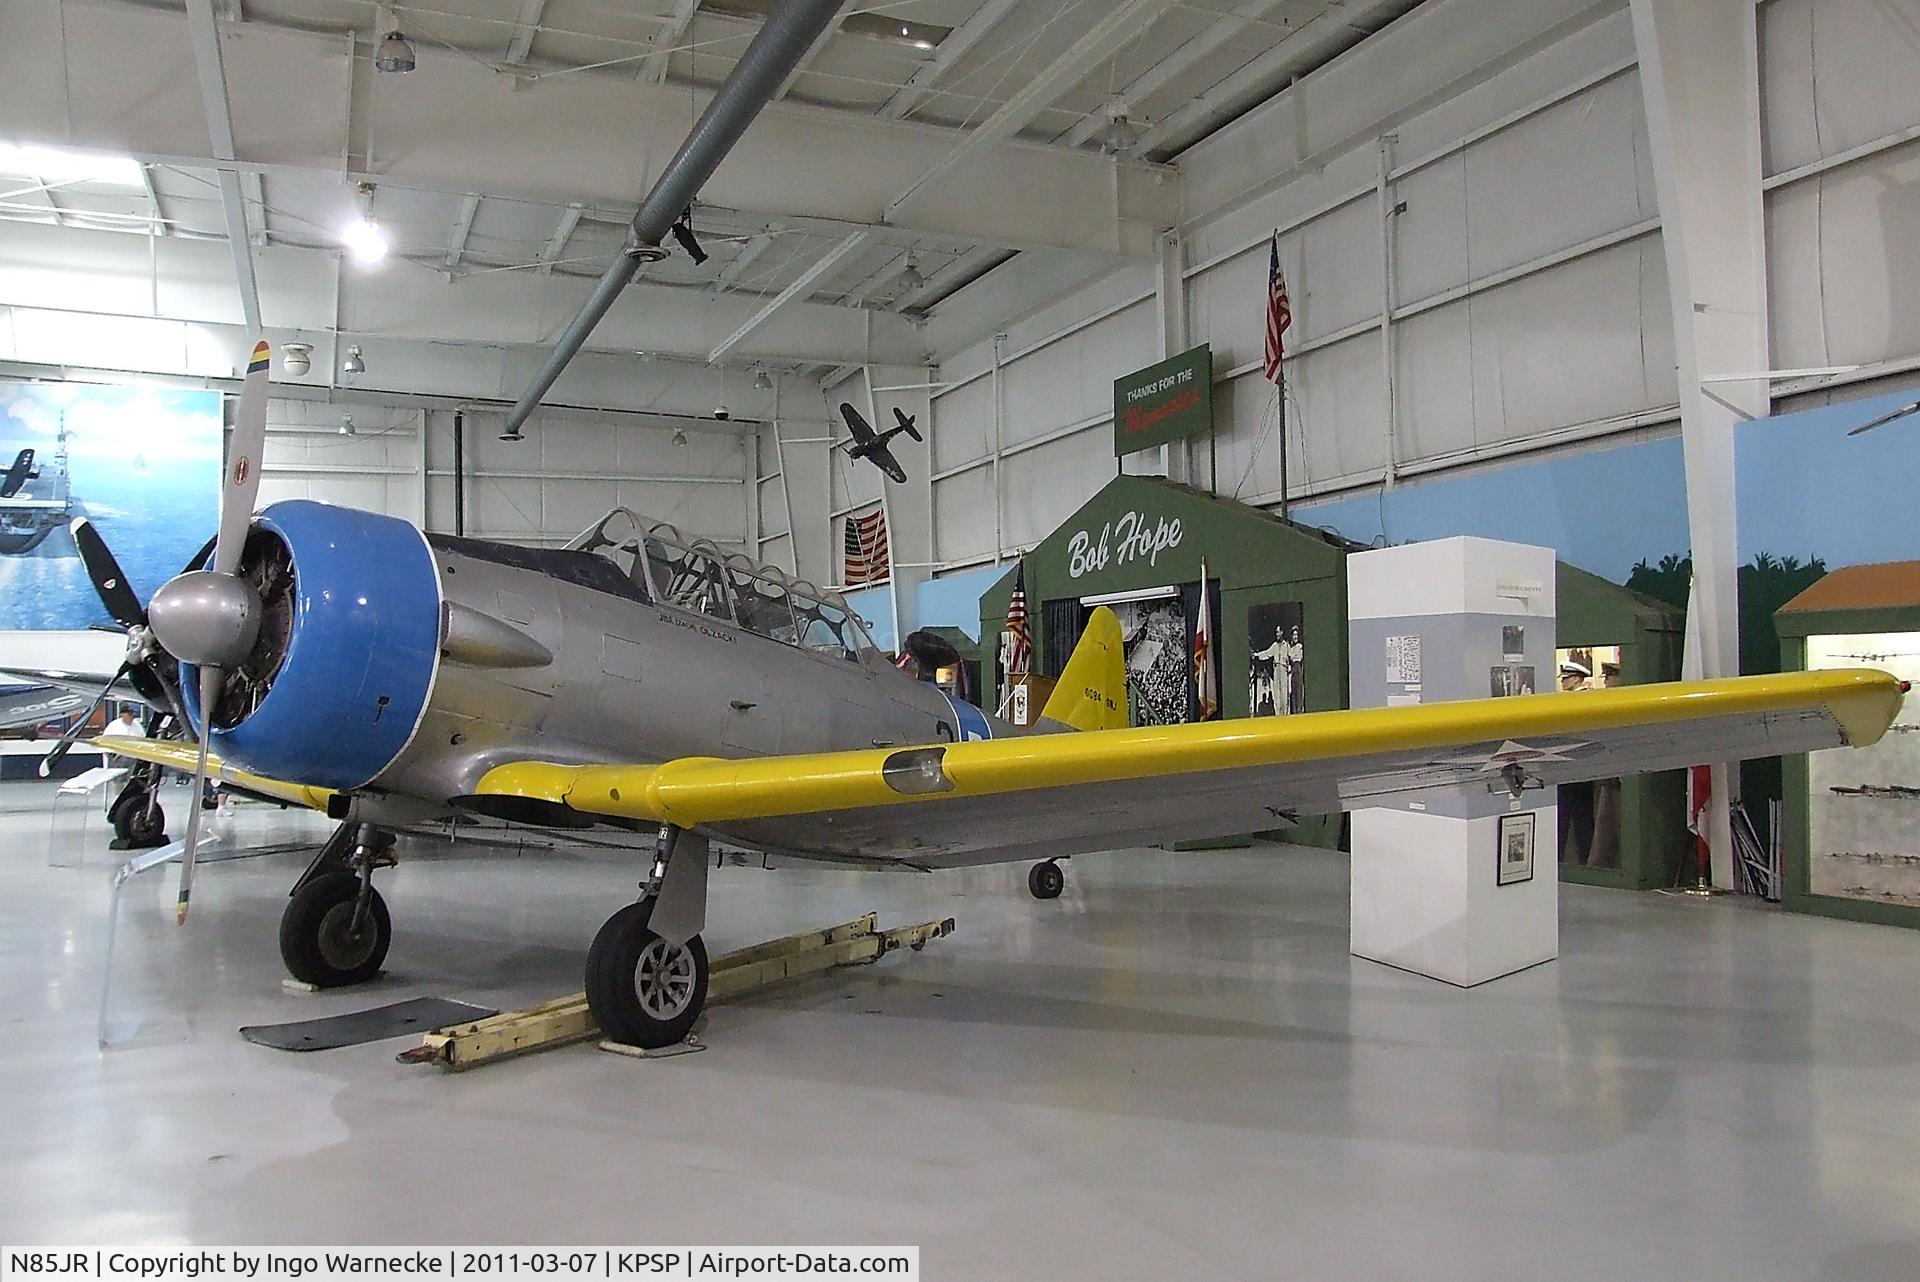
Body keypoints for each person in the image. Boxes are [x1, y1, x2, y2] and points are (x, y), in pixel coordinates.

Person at [1557, 661, 1595, 863]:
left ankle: (1582, 857)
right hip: (1571, 763)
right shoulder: (1570, 700)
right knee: (1574, 816)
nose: (1563, 682)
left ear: (1578, 679)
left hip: (1578, 764)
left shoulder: (1583, 699)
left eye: (1567, 678)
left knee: (1579, 816)